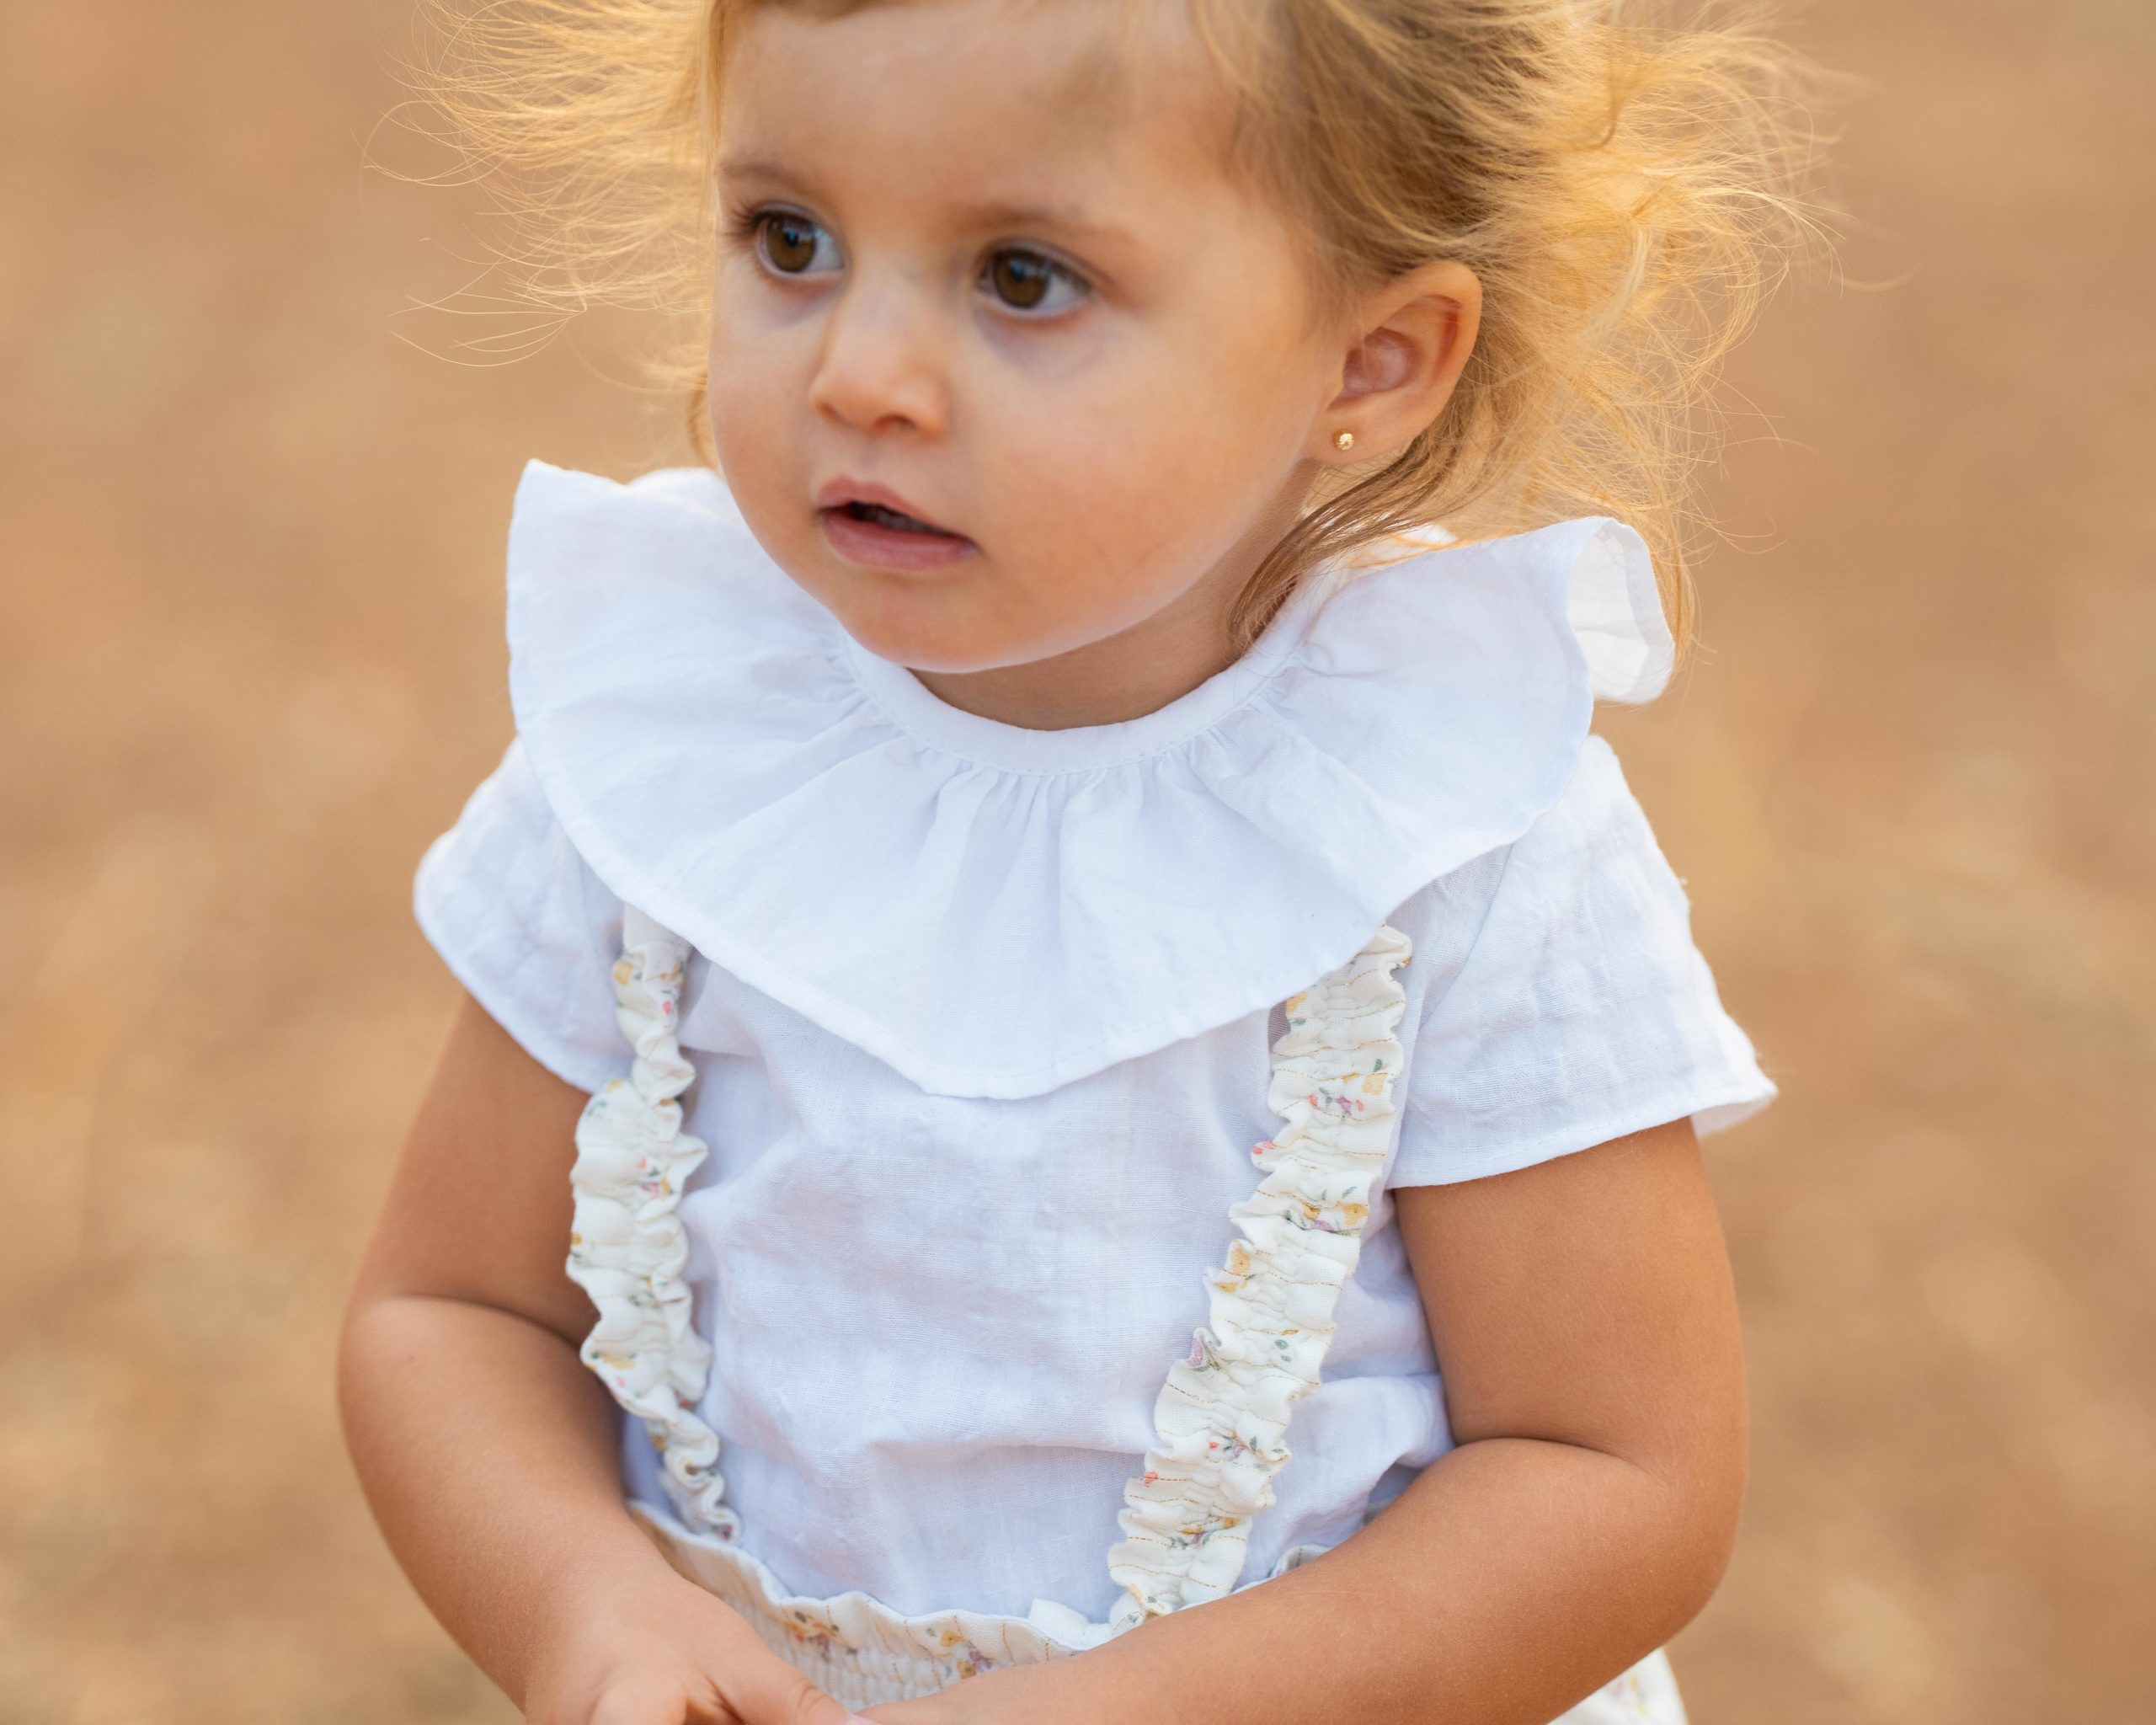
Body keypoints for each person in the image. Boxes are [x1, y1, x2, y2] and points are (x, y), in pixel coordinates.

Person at [339, 2, 1817, 1720]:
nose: (859, 376)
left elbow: (1609, 1475)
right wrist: (585, 1611)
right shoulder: (674, 746)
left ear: (1368, 362)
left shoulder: (1450, 825)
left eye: (1023, 278)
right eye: (791, 240)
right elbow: (452, 1311)